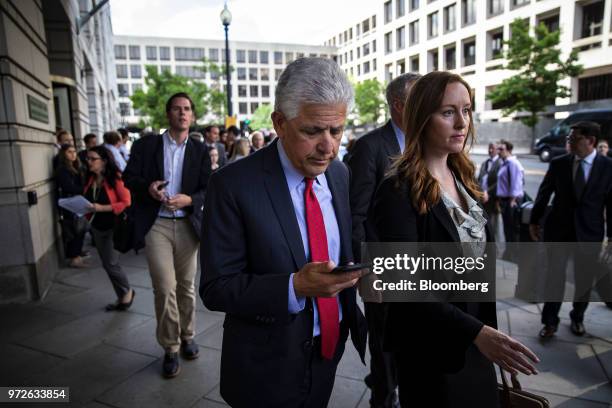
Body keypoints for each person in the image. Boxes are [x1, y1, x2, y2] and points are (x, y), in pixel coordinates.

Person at [200, 57, 367, 408]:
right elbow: (216, 288)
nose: (329, 147)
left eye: (336, 130)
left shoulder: (339, 174)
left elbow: (344, 247)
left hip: (329, 351)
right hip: (265, 368)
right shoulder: (231, 185)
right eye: (312, 131)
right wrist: (295, 286)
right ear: (279, 122)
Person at [371, 71, 539, 407]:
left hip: (475, 345)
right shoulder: (396, 191)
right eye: (448, 112)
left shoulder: (463, 176)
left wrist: (492, 340)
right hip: (432, 354)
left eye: (466, 110)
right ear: (421, 117)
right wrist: (477, 333)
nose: (461, 123)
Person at [123, 92, 211, 378]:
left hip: (187, 224)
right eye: (176, 108)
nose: (182, 113)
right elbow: (129, 178)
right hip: (156, 223)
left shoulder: (199, 150)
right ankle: (170, 347)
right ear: (168, 114)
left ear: (192, 116)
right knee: (164, 286)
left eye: (187, 109)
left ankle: (188, 335)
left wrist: (190, 200)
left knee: (186, 285)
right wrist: (149, 188)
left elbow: (209, 188)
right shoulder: (147, 145)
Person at [347, 72, 419, 408]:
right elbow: (357, 215)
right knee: (385, 347)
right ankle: (383, 397)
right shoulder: (370, 147)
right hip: (385, 268)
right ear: (399, 105)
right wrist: (369, 270)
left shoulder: (428, 140)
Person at [530, 121, 612, 338]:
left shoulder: (608, 167)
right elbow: (543, 194)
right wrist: (535, 221)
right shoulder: (559, 164)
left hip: (590, 234)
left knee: (584, 281)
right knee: (554, 277)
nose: (570, 142)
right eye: (570, 139)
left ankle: (578, 317)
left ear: (591, 141)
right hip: (559, 232)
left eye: (574, 139)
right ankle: (549, 322)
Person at [83, 146, 134, 311]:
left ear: (104, 161)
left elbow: (126, 202)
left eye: (93, 159)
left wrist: (101, 208)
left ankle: (127, 292)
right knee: (107, 264)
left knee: (111, 263)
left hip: (114, 226)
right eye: (88, 159)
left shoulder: (115, 178)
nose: (88, 162)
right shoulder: (90, 178)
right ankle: (122, 295)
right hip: (97, 227)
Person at [55, 144, 86, 268]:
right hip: (69, 202)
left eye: (74, 151)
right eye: (69, 152)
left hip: (77, 201)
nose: (73, 154)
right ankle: (74, 257)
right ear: (64, 154)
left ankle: (77, 255)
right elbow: (68, 187)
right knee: (74, 229)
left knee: (80, 228)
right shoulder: (62, 169)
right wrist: (84, 190)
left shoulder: (77, 166)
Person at [496, 139, 524, 261]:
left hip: (510, 201)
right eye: (498, 149)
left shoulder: (513, 163)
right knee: (508, 229)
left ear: (509, 150)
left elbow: (516, 184)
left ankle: (513, 255)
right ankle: (509, 253)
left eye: (501, 149)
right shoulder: (505, 162)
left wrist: (512, 201)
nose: (499, 151)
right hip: (505, 200)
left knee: (512, 229)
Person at [477, 142, 502, 242]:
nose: (490, 150)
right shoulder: (485, 163)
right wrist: (481, 192)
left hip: (493, 198)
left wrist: (488, 192)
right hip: (482, 197)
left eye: (493, 148)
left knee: (492, 224)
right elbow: (479, 179)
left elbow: (499, 182)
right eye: (489, 148)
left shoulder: (500, 163)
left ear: (497, 150)